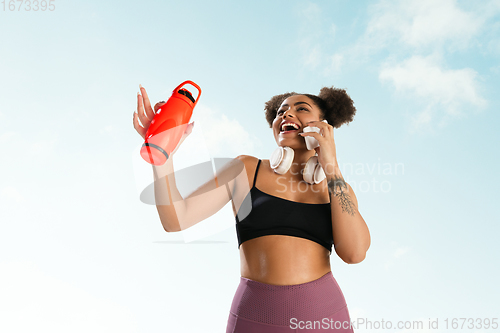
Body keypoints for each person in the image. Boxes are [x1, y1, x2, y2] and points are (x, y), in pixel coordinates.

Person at [133, 84, 371, 332]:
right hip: (253, 317)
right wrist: (163, 155)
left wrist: (331, 166)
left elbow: (354, 254)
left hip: (324, 316)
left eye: (301, 109)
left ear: (325, 126)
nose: (286, 114)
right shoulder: (246, 169)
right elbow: (176, 220)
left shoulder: (336, 188)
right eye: (281, 111)